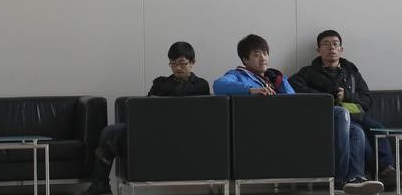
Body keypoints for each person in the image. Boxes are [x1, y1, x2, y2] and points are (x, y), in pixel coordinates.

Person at [83, 42, 210, 195]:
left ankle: (100, 186)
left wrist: (169, 90)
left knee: (113, 137)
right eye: (173, 64)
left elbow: (180, 96)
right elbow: (146, 106)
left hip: (182, 133)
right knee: (110, 132)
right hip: (152, 128)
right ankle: (100, 184)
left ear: (192, 62)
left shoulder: (200, 85)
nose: (177, 68)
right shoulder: (160, 82)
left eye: (182, 64)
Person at [290, 30, 395, 194]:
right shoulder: (308, 72)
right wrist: (327, 97)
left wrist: (348, 96)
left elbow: (368, 100)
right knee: (358, 132)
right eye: (325, 44)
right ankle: (367, 175)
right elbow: (292, 88)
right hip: (328, 118)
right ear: (318, 50)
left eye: (335, 44)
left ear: (341, 49)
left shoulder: (352, 73)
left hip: (355, 115)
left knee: (376, 127)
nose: (331, 47)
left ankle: (384, 170)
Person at [213, 34, 294, 95]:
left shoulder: (275, 77)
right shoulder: (238, 75)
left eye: (265, 53)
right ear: (245, 59)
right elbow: (218, 85)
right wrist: (250, 90)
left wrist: (280, 82)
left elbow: (295, 101)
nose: (263, 58)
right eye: (257, 55)